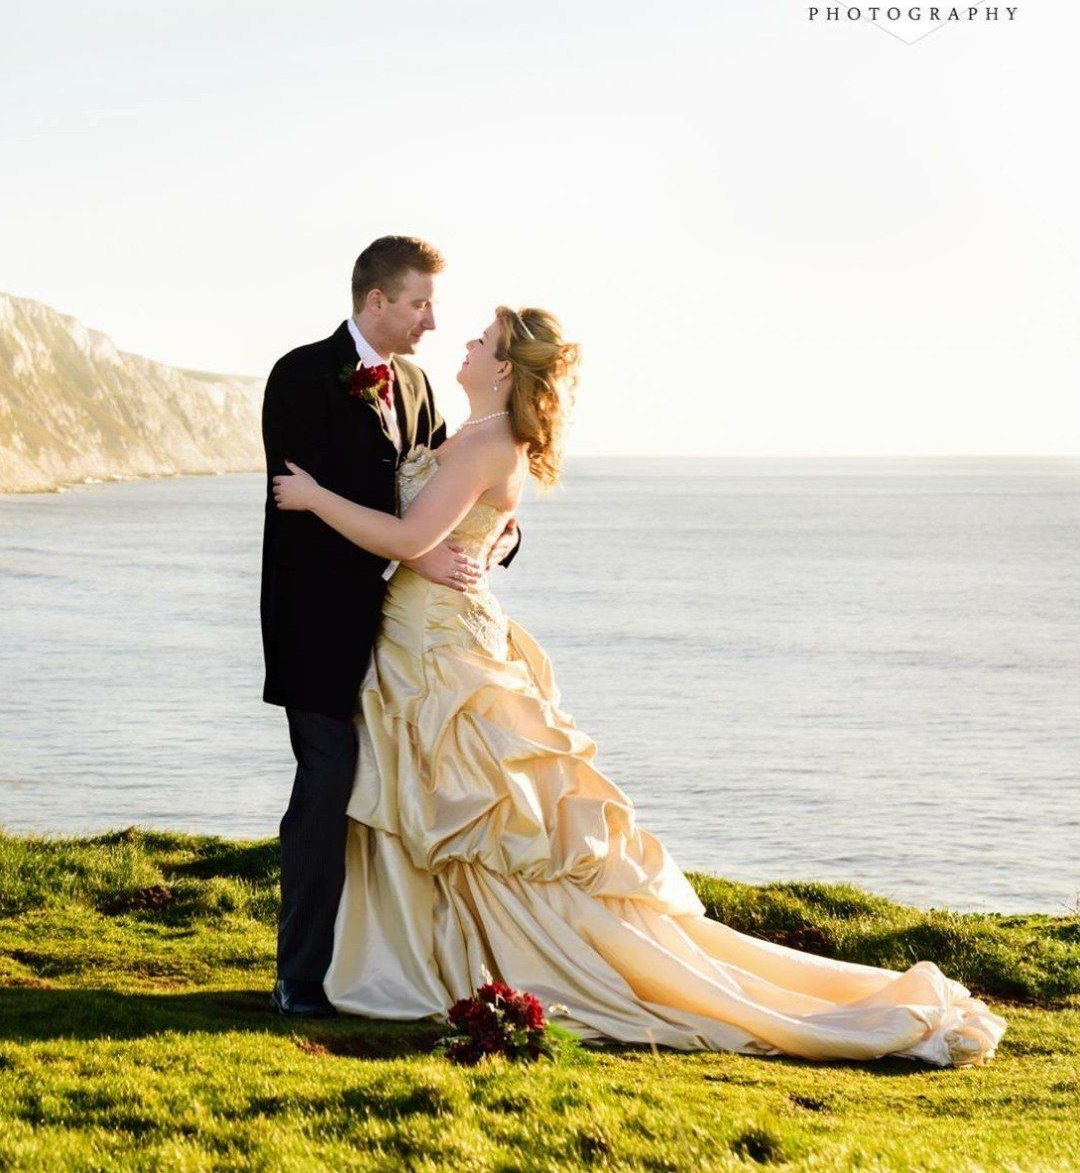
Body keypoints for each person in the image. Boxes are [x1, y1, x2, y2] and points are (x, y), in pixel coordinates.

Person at [270, 305, 1005, 1066]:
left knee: (475, 816)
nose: (461, 342)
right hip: (429, 634)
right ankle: (423, 956)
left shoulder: (490, 441)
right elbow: (440, 533)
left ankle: (494, 963)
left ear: (504, 369)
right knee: (453, 816)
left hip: (440, 652)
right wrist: (443, 548)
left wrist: (317, 499)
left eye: (481, 342)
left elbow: (410, 534)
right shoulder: (469, 432)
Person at [259, 235, 518, 1018]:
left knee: (403, 798)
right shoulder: (299, 376)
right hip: (320, 625)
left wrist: (485, 542)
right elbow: (296, 508)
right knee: (327, 787)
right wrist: (411, 560)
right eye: (418, 304)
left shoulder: (417, 383)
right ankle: (298, 975)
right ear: (377, 301)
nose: (431, 322)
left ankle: (395, 964)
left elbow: (448, 492)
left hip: (408, 637)